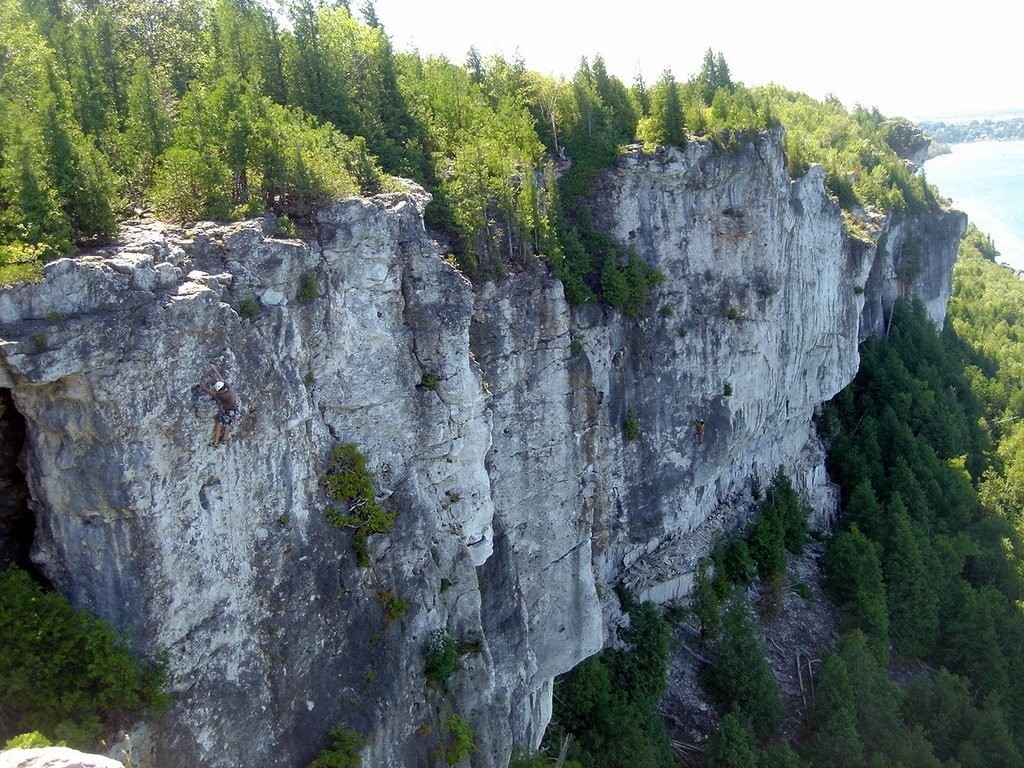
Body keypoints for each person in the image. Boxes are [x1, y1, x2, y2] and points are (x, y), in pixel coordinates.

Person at [199, 364, 238, 447]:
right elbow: (221, 379)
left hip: (228, 411)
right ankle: (224, 439)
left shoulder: (224, 395)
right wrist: (214, 369)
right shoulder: (229, 388)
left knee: (219, 424)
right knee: (227, 425)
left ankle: (215, 442)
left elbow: (213, 394)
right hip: (233, 410)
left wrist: (203, 388)